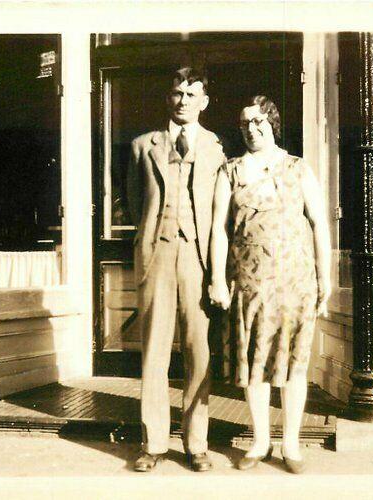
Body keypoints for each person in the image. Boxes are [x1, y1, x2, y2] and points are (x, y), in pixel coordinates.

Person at [208, 96, 331, 473]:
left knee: (293, 364)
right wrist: (217, 278)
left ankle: (291, 445)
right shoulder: (230, 171)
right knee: (256, 364)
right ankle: (261, 442)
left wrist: (326, 279)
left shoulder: (297, 168)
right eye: (245, 122)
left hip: (296, 283)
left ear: (272, 123)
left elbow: (319, 224)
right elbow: (219, 230)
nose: (252, 128)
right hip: (250, 283)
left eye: (259, 121)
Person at [127, 67, 226, 472]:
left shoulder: (217, 148)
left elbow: (220, 211)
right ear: (168, 98)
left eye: (191, 94)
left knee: (198, 351)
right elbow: (136, 204)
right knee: (153, 351)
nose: (182, 100)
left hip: (198, 259)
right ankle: (153, 444)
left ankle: (196, 443)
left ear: (204, 101)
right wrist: (152, 241)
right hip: (157, 256)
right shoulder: (141, 145)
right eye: (176, 93)